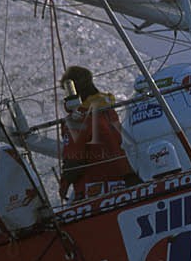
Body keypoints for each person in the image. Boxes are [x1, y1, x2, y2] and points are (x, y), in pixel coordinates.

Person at [58, 65, 136, 200]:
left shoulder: (78, 119)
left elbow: (74, 159)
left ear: (73, 91)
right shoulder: (109, 110)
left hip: (94, 190)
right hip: (123, 182)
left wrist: (64, 185)